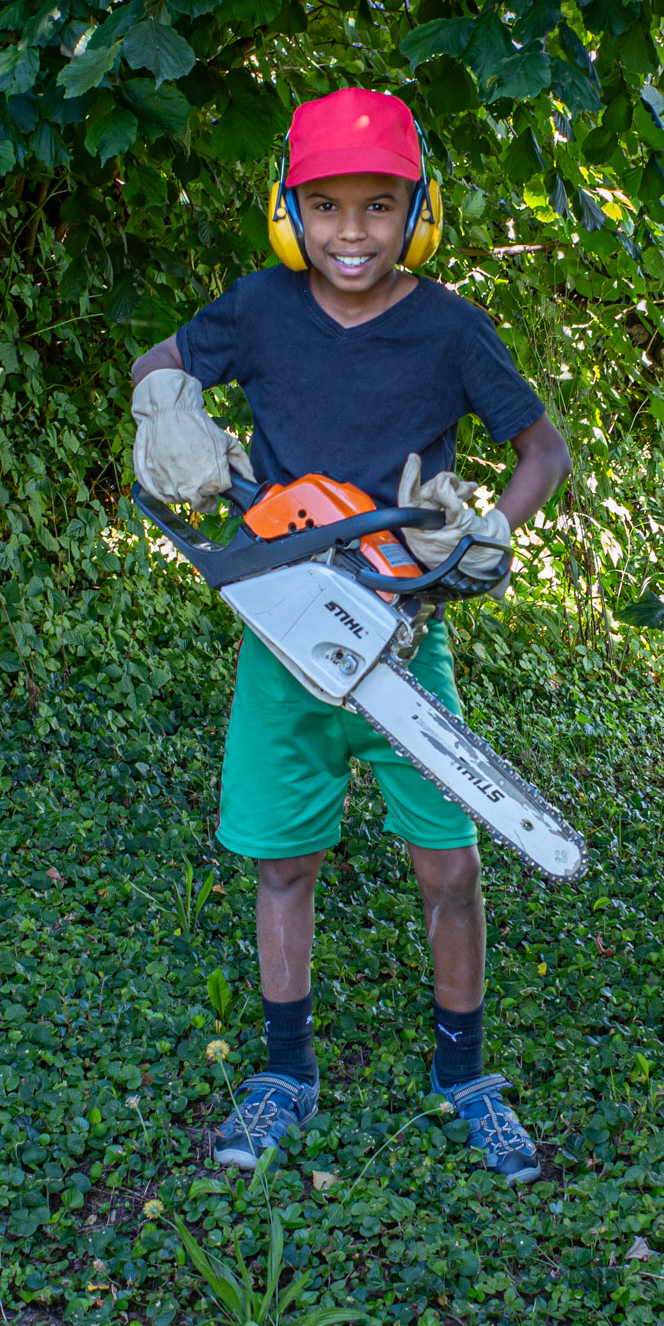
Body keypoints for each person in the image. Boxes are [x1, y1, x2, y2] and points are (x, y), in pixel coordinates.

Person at [127, 86, 573, 1185]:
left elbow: (543, 450)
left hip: (402, 634)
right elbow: (158, 360)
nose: (352, 232)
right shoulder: (261, 308)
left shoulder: (451, 328)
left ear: (417, 212)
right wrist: (169, 410)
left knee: (450, 862)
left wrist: (489, 531)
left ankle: (465, 1075)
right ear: (291, 213)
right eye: (326, 207)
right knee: (284, 862)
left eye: (378, 206)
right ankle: (284, 1070)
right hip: (283, 629)